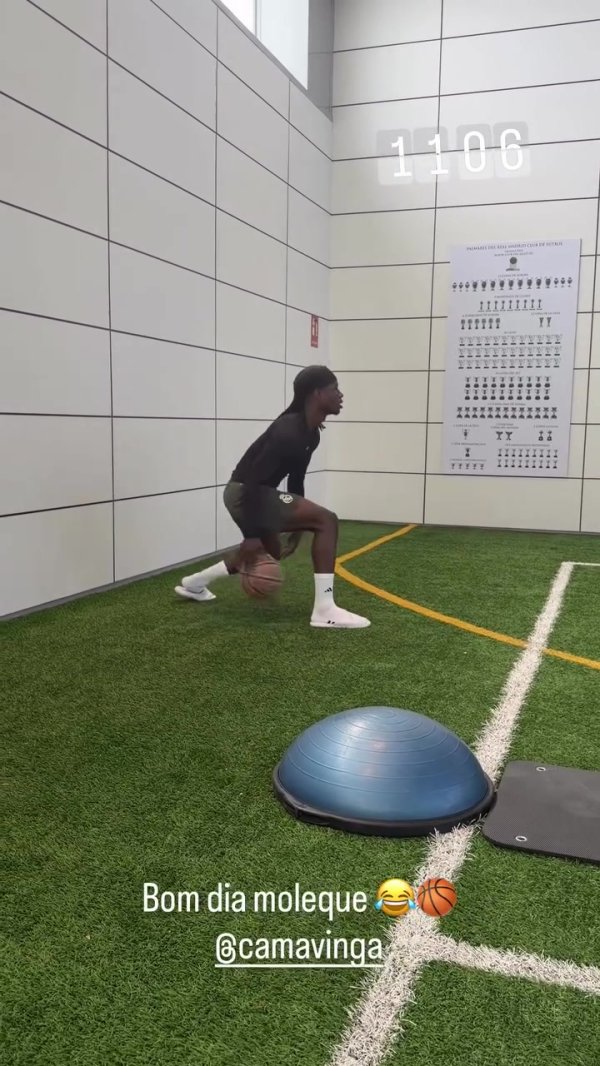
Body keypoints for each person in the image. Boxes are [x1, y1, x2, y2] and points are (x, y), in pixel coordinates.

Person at [175, 365, 370, 629]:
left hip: (258, 494)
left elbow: (296, 480)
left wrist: (299, 526)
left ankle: (195, 583)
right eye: (335, 388)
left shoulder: (311, 434)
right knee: (327, 520)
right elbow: (254, 481)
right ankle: (325, 609)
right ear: (316, 393)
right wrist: (252, 534)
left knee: (270, 552)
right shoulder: (288, 429)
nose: (341, 395)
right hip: (244, 492)